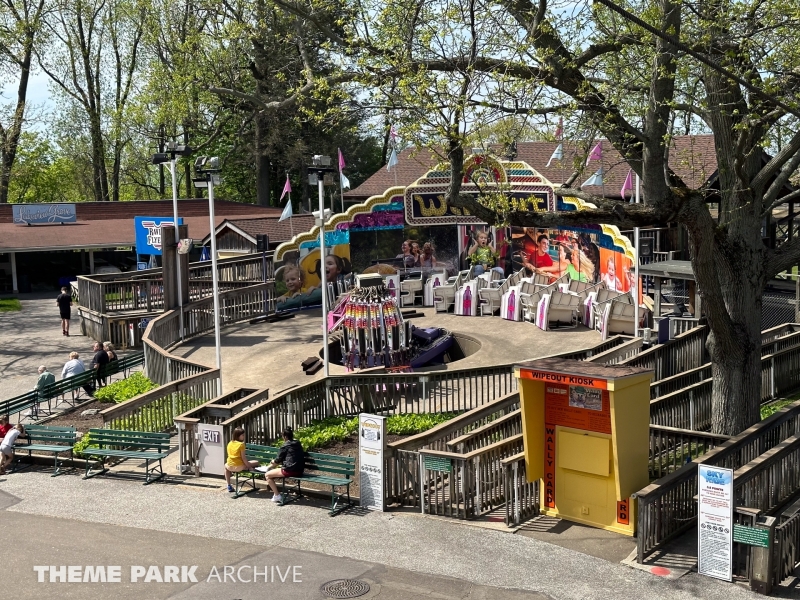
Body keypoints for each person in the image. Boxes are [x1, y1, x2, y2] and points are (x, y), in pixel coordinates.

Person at [263, 426, 305, 503]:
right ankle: (277, 495)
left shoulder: (285, 445)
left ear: (285, 436)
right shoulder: (298, 443)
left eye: (282, 436)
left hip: (289, 470)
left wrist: (271, 464)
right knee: (272, 471)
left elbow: (277, 461)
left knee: (267, 475)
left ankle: (277, 496)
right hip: (300, 470)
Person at [224, 427, 260, 493]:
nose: (244, 436)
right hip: (239, 466)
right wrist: (250, 467)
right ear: (238, 436)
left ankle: (228, 485)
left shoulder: (230, 443)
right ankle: (248, 468)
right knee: (256, 462)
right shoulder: (241, 444)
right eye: (242, 435)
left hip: (229, 466)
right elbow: (243, 458)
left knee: (226, 467)